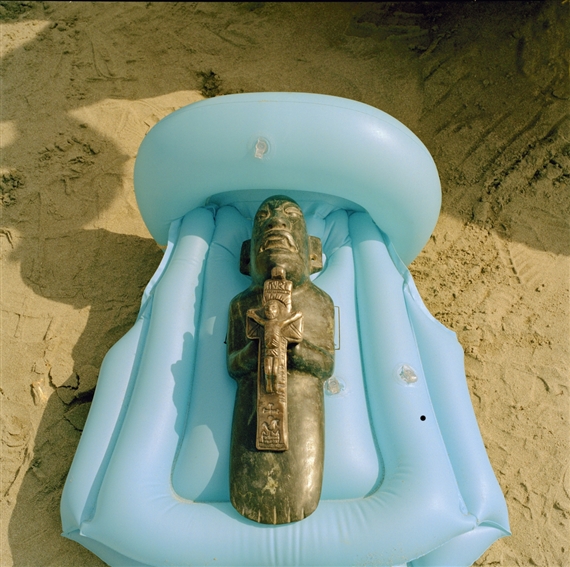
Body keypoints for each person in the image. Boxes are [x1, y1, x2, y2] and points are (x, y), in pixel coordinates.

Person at [227, 196, 334, 524]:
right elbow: (233, 365)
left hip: (302, 408)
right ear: (247, 256)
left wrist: (294, 349)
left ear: (312, 253)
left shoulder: (318, 301)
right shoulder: (242, 304)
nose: (276, 223)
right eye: (264, 219)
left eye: (290, 217)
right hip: (253, 406)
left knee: (298, 476)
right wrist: (254, 352)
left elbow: (325, 365)